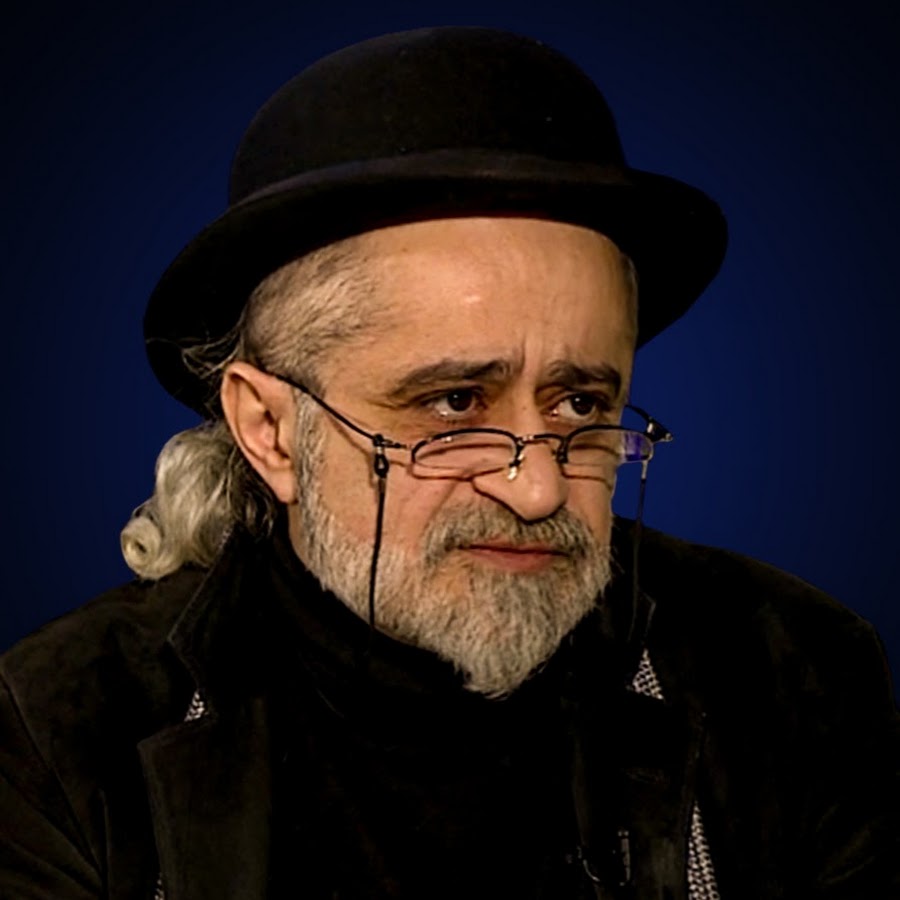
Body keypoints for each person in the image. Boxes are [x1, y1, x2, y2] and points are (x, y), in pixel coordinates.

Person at [0, 25, 896, 900]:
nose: (539, 488)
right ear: (270, 431)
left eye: (580, 405)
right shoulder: (59, 736)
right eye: (456, 404)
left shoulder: (798, 678)